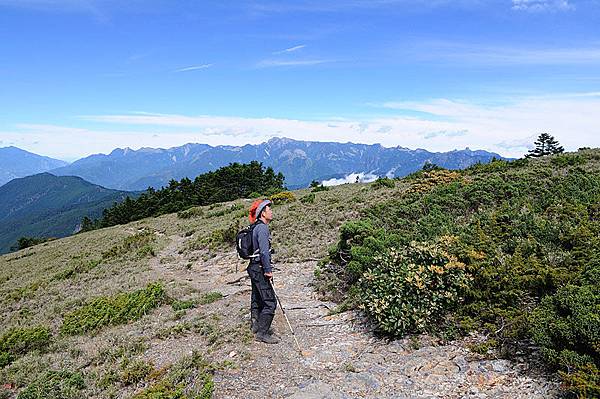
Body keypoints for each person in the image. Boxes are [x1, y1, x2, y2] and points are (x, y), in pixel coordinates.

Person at [247, 199, 279, 344]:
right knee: (270, 301)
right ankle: (262, 332)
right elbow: (264, 252)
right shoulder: (263, 229)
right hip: (260, 268)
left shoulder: (254, 227)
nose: (271, 211)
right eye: (269, 209)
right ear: (262, 213)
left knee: (257, 297)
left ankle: (255, 325)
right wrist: (268, 270)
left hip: (253, 267)